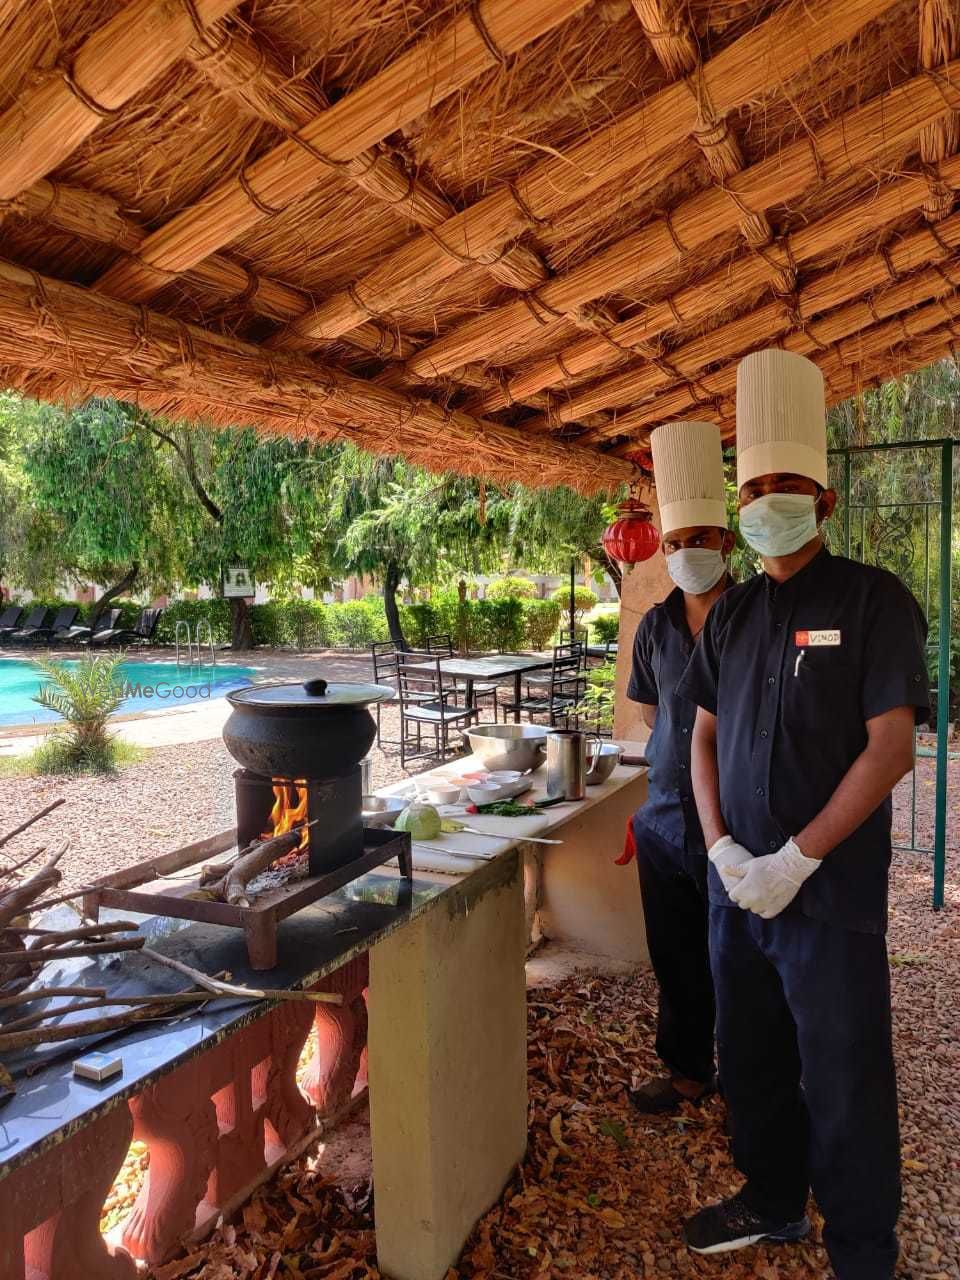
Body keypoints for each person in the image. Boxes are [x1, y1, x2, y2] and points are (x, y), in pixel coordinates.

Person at [677, 349, 929, 1278]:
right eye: (754, 486)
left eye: (787, 486)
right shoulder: (734, 616)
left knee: (845, 1073)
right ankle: (774, 1201)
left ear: (823, 503)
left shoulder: (873, 601)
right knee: (750, 1059)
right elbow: (701, 738)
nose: (765, 501)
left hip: (825, 896)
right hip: (738, 889)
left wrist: (795, 860)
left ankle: (864, 1250)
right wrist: (721, 852)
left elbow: (890, 747)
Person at [625, 419, 735, 1113]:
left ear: (727, 542)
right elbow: (646, 712)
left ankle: (756, 1085)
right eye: (676, 542)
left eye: (701, 539)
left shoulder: (758, 615)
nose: (688, 551)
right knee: (677, 957)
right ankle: (689, 1071)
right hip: (665, 820)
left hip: (740, 818)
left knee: (743, 959)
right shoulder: (656, 625)